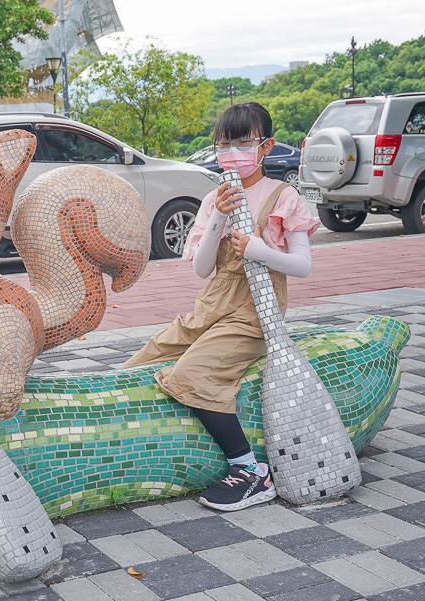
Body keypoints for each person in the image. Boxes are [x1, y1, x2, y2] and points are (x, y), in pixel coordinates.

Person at [123, 102, 320, 511]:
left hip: (254, 314)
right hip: (210, 307)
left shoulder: (284, 196)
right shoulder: (215, 197)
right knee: (141, 363)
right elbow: (200, 268)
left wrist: (260, 249)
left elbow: (302, 266)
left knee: (191, 374)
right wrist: (219, 218)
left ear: (265, 146)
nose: (231, 151)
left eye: (242, 142)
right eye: (223, 143)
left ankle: (250, 471)